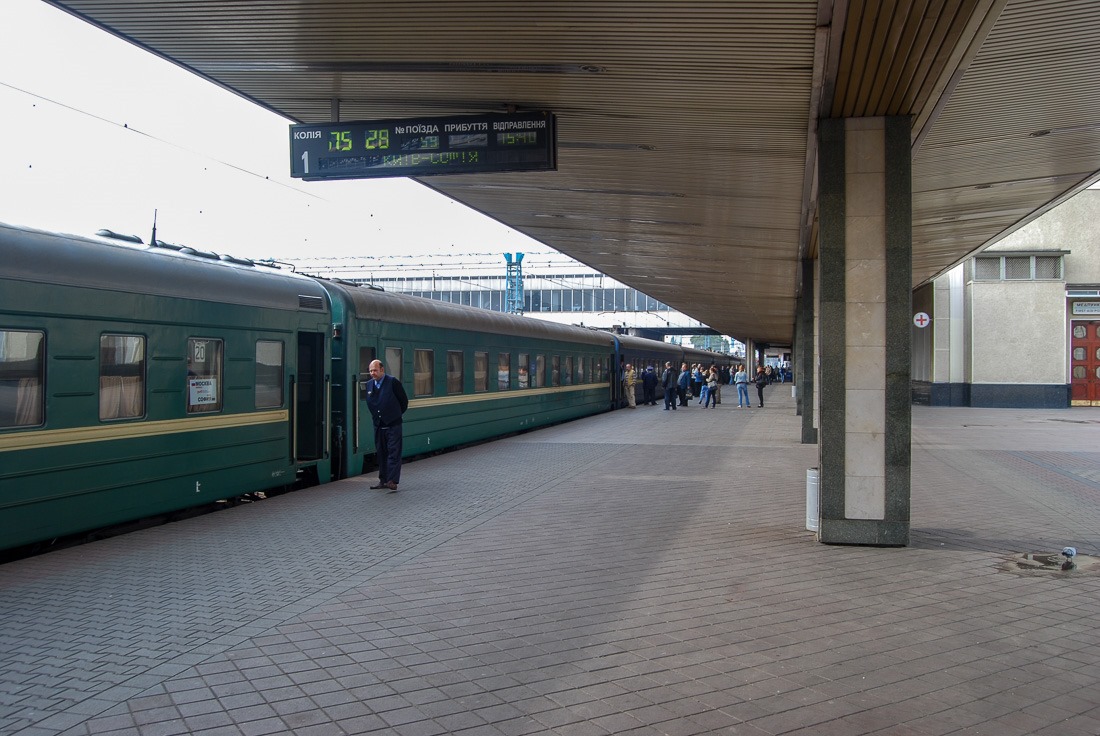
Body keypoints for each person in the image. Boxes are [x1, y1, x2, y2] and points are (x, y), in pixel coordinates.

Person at [365, 359, 409, 491]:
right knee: (381, 453)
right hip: (378, 425)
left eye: (375, 370)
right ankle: (383, 480)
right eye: (371, 371)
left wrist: (395, 415)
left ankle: (392, 480)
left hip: (393, 425)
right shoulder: (369, 385)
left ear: (382, 370)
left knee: (393, 452)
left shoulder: (393, 382)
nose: (373, 373)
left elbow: (403, 401)